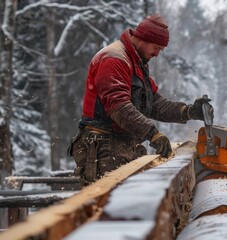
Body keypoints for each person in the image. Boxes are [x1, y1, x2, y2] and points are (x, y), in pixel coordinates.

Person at [67, 13, 211, 186]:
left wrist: (187, 111)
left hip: (121, 143)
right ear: (144, 38)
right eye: (156, 47)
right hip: (103, 145)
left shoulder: (136, 62)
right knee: (109, 205)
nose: (157, 54)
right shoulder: (114, 59)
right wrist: (152, 133)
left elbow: (154, 103)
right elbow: (119, 107)